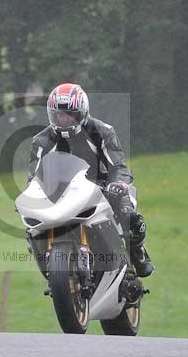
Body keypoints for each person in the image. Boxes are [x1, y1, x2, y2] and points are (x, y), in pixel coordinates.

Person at [27, 82, 154, 277]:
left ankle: (138, 252)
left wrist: (118, 184)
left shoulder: (102, 131)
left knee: (128, 215)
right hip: (62, 194)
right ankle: (49, 264)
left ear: (82, 112)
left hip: (102, 188)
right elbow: (34, 177)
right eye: (58, 115)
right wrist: (30, 196)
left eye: (70, 114)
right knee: (32, 228)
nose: (64, 120)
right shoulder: (41, 141)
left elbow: (118, 166)